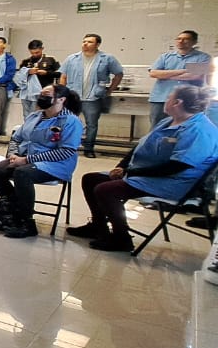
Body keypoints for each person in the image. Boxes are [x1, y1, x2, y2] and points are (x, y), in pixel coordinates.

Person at [69, 87, 218, 252]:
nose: (165, 100)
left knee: (105, 190)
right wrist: (122, 166)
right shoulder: (169, 120)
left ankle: (121, 238)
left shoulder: (198, 130)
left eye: (169, 97)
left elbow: (177, 166)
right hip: (147, 173)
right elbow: (140, 146)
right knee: (90, 179)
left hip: (174, 182)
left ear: (177, 102)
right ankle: (98, 226)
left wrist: (131, 173)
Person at [0, 84, 83, 238]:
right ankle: (16, 205)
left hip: (56, 164)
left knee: (22, 173)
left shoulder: (70, 121)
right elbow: (16, 138)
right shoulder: (34, 116)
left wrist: (26, 160)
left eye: (47, 94)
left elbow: (66, 151)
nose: (41, 97)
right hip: (24, 158)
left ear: (61, 99)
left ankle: (27, 222)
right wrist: (13, 155)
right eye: (41, 93)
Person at [58, 33, 123, 157]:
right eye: (84, 41)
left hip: (93, 97)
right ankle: (66, 146)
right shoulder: (72, 58)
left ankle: (88, 148)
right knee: (68, 121)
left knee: (91, 124)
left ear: (97, 44)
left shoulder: (107, 58)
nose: (85, 44)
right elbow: (63, 76)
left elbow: (119, 74)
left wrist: (110, 90)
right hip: (73, 96)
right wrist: (63, 93)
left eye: (89, 42)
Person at [148, 30, 211, 126]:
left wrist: (166, 75)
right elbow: (153, 73)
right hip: (161, 99)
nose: (181, 41)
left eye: (186, 39)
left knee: (185, 127)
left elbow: (196, 75)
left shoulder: (203, 57)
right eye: (179, 39)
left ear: (194, 42)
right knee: (157, 126)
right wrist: (183, 71)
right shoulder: (165, 57)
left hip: (189, 100)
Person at [14, 40, 61, 117]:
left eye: (37, 52)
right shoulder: (26, 62)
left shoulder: (50, 60)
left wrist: (46, 73)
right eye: (32, 53)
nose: (35, 55)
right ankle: (28, 127)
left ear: (42, 49)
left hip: (44, 92)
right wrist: (28, 72)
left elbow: (59, 74)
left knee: (41, 114)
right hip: (27, 93)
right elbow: (19, 76)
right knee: (27, 114)